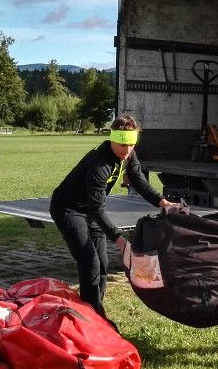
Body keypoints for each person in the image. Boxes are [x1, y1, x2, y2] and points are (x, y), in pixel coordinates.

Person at [50, 114, 175, 317]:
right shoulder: (99, 164)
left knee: (102, 263)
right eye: (122, 145)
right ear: (112, 139)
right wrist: (118, 238)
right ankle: (91, 316)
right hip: (68, 209)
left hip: (91, 210)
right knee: (90, 262)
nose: (127, 151)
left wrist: (162, 202)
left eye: (131, 145)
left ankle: (96, 311)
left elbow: (139, 180)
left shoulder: (128, 154)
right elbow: (96, 207)